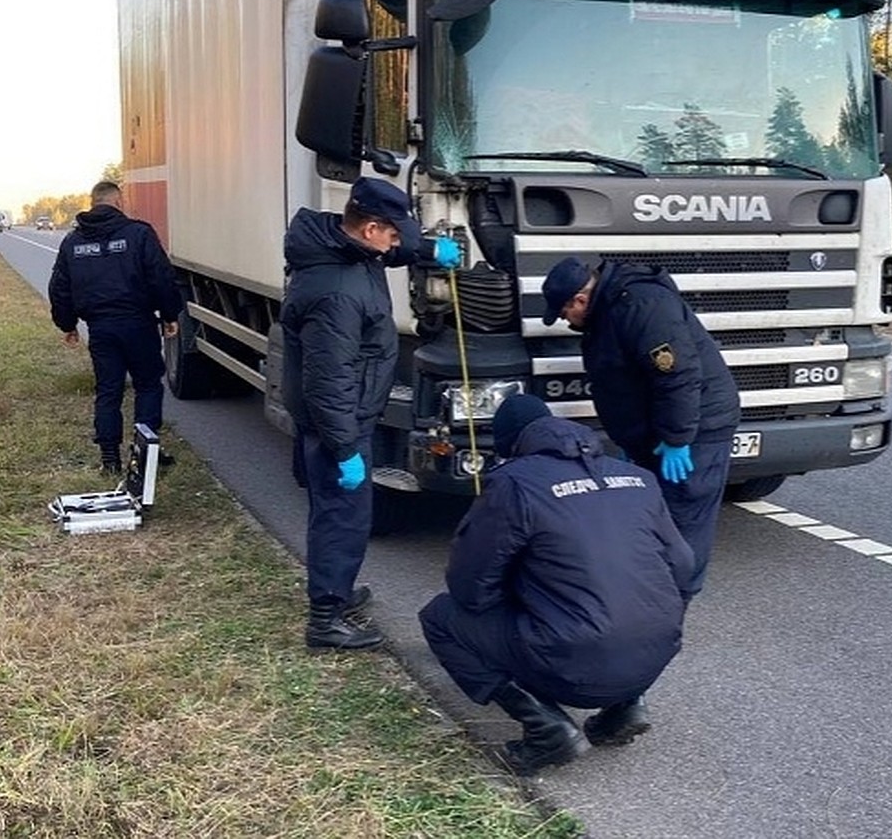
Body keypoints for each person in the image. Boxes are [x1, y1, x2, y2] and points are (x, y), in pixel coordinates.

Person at [419, 394, 693, 775]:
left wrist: (515, 596)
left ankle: (547, 728)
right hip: (658, 649)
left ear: (510, 446)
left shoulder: (514, 482)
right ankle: (626, 706)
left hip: (573, 658)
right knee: (625, 599)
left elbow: (470, 585)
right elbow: (683, 565)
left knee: (440, 617)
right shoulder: (637, 478)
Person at [282, 176, 460, 650]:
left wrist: (430, 251)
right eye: (393, 234)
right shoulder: (336, 293)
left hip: (343, 414)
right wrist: (343, 448)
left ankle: (337, 591)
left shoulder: (344, 246)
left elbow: (397, 250)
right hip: (337, 422)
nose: (397, 244)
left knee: (339, 514)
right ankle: (325, 620)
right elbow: (327, 381)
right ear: (370, 229)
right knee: (342, 517)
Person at [540, 257, 740, 601]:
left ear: (580, 300)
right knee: (653, 518)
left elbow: (677, 377)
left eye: (563, 313)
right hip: (660, 432)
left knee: (683, 520)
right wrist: (635, 441)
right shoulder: (611, 309)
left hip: (695, 431)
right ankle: (649, 600)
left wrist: (677, 439)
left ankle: (673, 605)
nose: (565, 321)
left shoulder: (642, 306)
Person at [48, 181, 183, 474]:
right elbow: (161, 277)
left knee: (108, 389)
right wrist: (170, 314)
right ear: (118, 203)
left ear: (93, 203)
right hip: (138, 323)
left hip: (100, 329)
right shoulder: (139, 234)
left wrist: (67, 324)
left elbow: (60, 288)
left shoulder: (73, 242)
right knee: (147, 384)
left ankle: (110, 459)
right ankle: (145, 453)